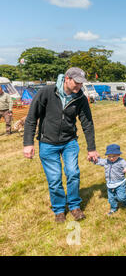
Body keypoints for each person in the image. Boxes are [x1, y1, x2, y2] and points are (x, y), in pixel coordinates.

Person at [23, 67, 99, 223]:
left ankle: (74, 206)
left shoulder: (80, 98)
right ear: (67, 79)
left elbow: (88, 124)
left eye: (81, 83)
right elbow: (31, 118)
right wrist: (28, 143)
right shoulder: (47, 92)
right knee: (55, 179)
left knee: (73, 173)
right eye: (76, 83)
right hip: (47, 144)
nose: (79, 87)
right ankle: (58, 209)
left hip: (69, 142)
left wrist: (91, 149)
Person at [91, 144, 126, 216]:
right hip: (110, 184)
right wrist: (93, 159)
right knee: (111, 199)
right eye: (109, 156)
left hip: (120, 183)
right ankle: (113, 209)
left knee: (121, 197)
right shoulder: (106, 161)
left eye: (113, 156)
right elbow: (99, 161)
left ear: (118, 154)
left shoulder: (121, 161)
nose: (111, 158)